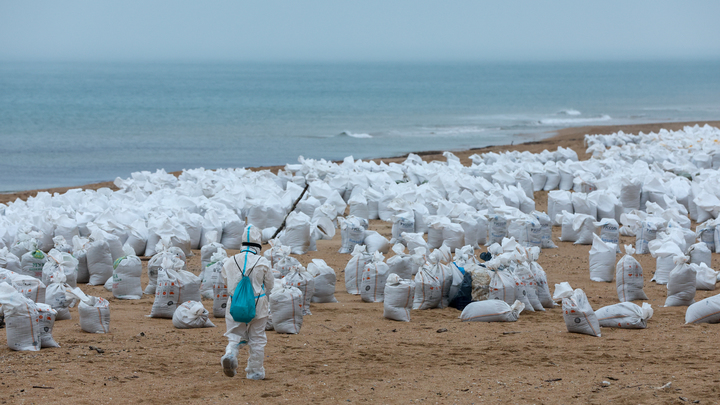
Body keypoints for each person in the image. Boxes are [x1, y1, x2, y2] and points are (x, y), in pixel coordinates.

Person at [220, 225, 274, 379]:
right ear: (258, 244)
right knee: (257, 338)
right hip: (258, 305)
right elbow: (270, 285)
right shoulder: (262, 261)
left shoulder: (230, 261)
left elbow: (226, 282)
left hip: (235, 305)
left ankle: (230, 354)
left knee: (235, 335)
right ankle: (255, 372)